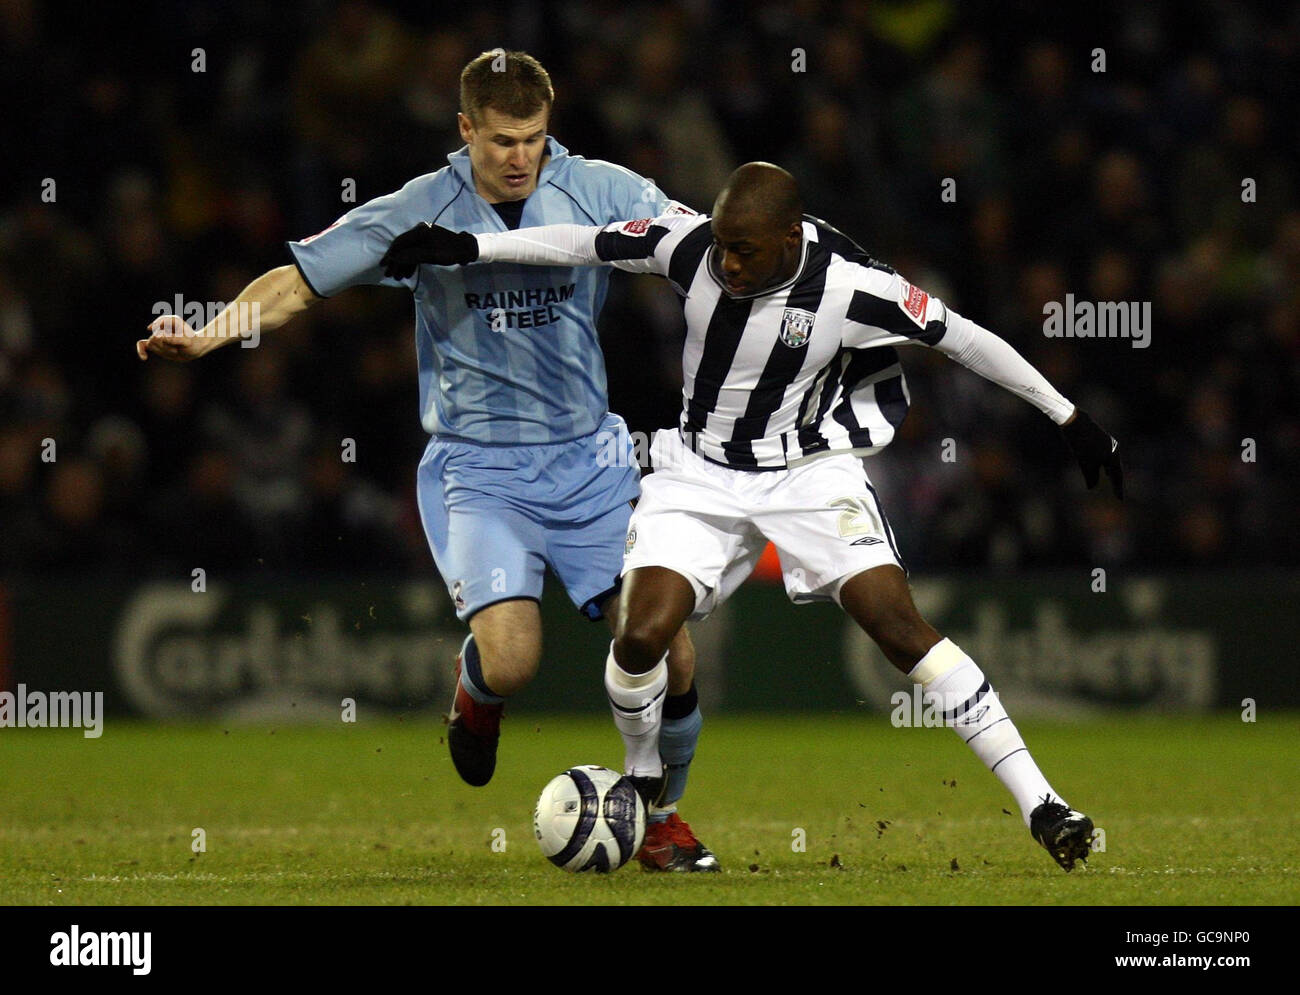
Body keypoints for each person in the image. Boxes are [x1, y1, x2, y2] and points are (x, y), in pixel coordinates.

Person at [378, 161, 1126, 871]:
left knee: (898, 626)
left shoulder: (853, 288)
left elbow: (964, 337)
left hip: (807, 472)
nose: (728, 266)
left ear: (791, 238)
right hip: (698, 473)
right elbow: (583, 242)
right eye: (724, 247)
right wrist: (470, 244)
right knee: (642, 635)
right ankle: (643, 788)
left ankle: (1045, 805)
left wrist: (1068, 416)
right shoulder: (690, 246)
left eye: (745, 252)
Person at [136, 50, 718, 873]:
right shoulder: (416, 212)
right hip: (478, 468)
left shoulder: (602, 187)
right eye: (502, 141)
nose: (521, 158)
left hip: (594, 458)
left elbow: (700, 249)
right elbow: (300, 283)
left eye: (536, 140)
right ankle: (477, 695)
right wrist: (207, 332)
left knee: (669, 644)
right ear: (465, 129)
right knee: (514, 657)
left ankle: (664, 817)